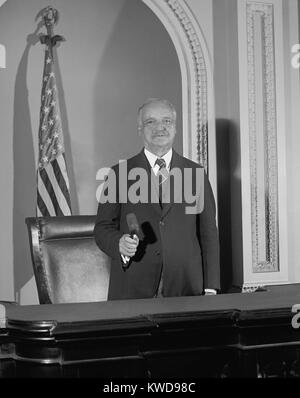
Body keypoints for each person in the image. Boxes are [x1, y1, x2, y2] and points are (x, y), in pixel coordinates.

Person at [94, 98, 220, 300]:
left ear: (175, 128)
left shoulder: (195, 173)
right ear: (140, 129)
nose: (160, 127)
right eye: (150, 122)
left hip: (186, 288)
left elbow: (208, 233)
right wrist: (119, 242)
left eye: (167, 121)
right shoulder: (118, 174)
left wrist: (211, 287)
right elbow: (102, 229)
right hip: (133, 287)